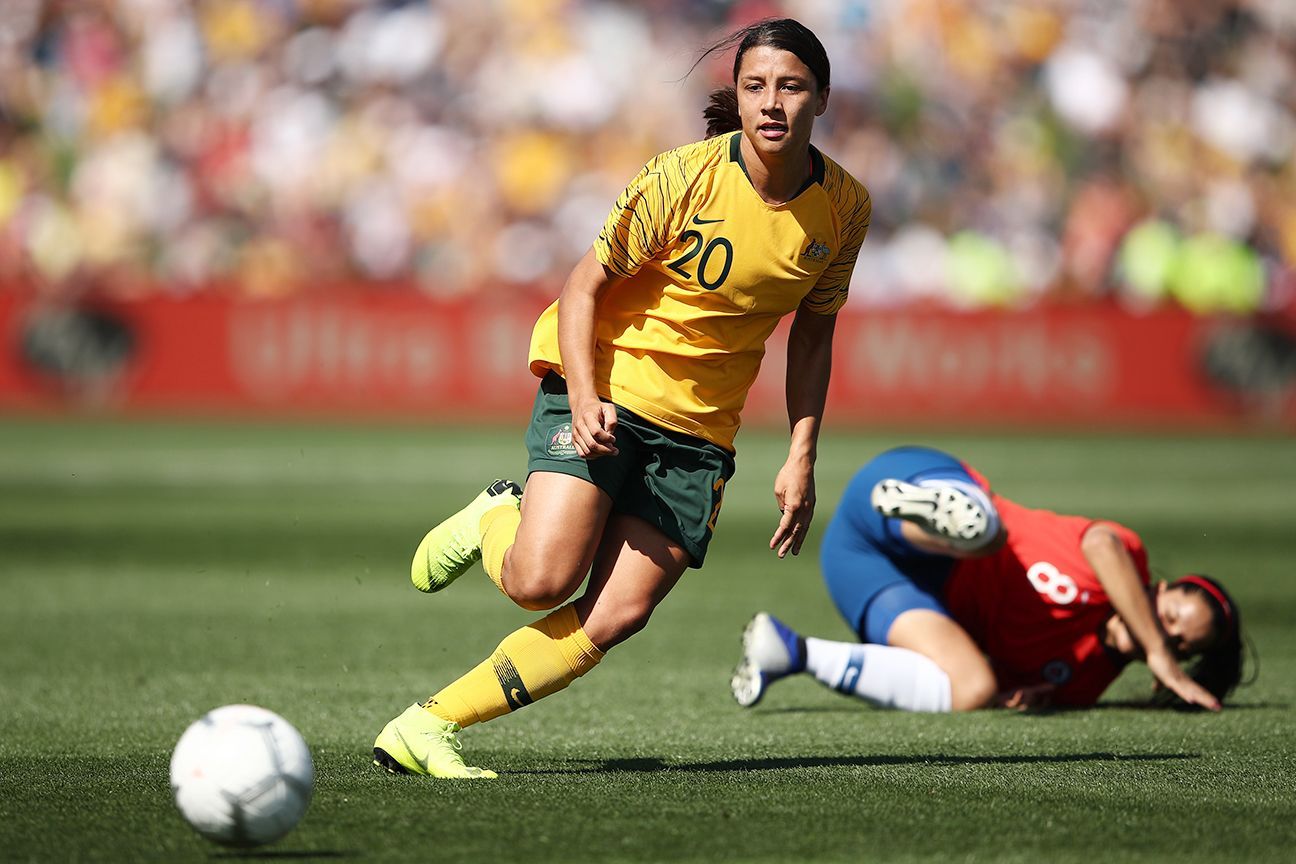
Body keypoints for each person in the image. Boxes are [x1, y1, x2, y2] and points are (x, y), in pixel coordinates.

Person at [372, 18, 872, 779]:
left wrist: (801, 455)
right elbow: (583, 286)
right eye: (755, 86)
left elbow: (813, 333)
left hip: (700, 434)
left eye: (791, 87)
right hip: (607, 387)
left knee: (616, 615)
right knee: (540, 581)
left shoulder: (844, 208)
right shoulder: (682, 178)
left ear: (823, 98)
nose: (772, 103)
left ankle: (428, 726)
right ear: (735, 99)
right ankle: (494, 516)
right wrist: (580, 397)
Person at [731, 445, 1246, 713]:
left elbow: (1005, 679)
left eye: (1180, 643)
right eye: (1175, 615)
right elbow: (1101, 543)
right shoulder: (1122, 558)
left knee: (972, 688)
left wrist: (1022, 694)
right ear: (1162, 587)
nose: (1169, 633)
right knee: (986, 533)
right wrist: (1156, 649)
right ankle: (932, 514)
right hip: (916, 481)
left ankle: (790, 651)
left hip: (869, 570)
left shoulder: (1086, 682)